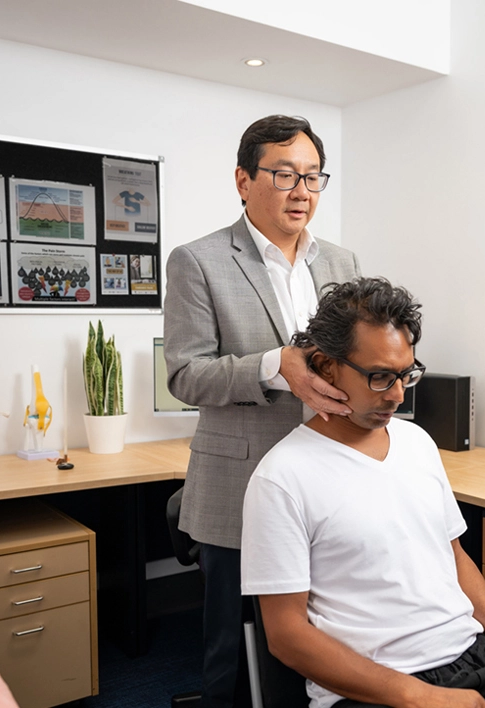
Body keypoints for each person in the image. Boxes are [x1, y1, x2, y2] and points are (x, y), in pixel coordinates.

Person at [241, 278, 485, 708]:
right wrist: (418, 697)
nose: (398, 394)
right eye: (380, 377)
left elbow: (452, 556)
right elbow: (287, 638)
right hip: (376, 687)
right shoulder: (281, 478)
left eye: (406, 375)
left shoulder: (417, 443)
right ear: (326, 367)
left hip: (475, 658)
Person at [164, 115, 361, 707]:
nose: (301, 191)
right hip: (238, 484)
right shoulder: (197, 261)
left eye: (312, 177)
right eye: (283, 174)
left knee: (317, 635)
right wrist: (278, 365)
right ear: (244, 180)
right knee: (233, 643)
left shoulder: (343, 264)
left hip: (327, 479)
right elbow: (185, 374)